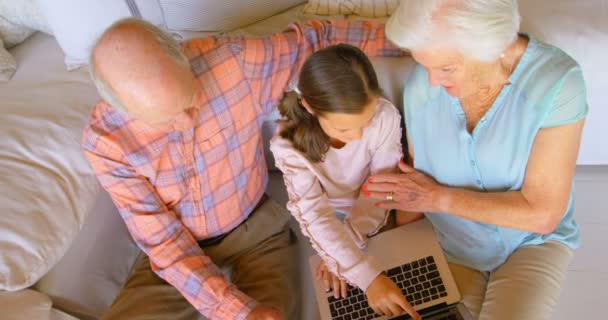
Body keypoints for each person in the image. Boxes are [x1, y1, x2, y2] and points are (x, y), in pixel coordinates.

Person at [81, 17, 404, 320]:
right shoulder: (107, 143)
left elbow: (320, 39)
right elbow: (166, 246)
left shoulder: (234, 62)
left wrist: (420, 38)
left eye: (190, 100)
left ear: (181, 54)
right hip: (179, 250)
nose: (187, 122)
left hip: (258, 229)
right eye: (165, 121)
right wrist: (237, 311)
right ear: (121, 107)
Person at [362, 0, 588, 319]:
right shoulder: (419, 92)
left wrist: (437, 198)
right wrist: (377, 259)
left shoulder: (556, 82)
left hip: (530, 243)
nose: (431, 81)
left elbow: (542, 215)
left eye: (446, 68)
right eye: (425, 66)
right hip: (449, 243)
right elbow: (412, 187)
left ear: (491, 46)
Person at [270, 44, 421, 319]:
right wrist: (360, 271)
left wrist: (341, 254)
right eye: (343, 128)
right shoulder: (287, 144)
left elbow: (384, 188)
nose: (357, 137)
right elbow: (314, 214)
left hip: (375, 207)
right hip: (329, 216)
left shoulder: (385, 116)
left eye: (364, 123)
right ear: (310, 107)